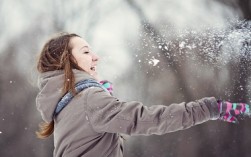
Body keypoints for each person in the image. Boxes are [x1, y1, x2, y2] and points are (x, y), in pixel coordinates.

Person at [36, 32, 250, 157]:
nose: (96, 57)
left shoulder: (65, 105)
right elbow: (149, 119)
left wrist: (105, 99)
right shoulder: (89, 101)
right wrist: (210, 108)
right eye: (85, 51)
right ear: (67, 61)